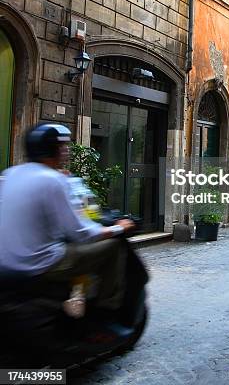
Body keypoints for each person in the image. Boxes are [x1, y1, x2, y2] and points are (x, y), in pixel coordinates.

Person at [0, 123, 134, 313]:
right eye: (62, 146)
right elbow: (81, 233)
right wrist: (118, 228)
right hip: (40, 262)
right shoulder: (52, 179)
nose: (66, 151)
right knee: (113, 247)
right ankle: (106, 311)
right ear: (51, 149)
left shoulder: (10, 174)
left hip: (6, 261)